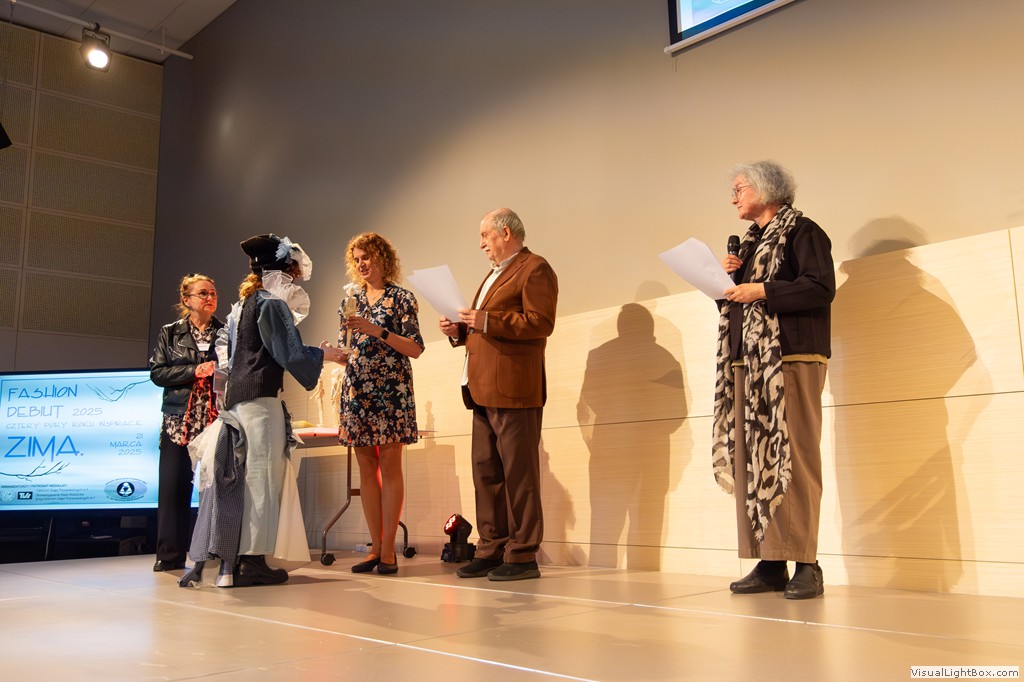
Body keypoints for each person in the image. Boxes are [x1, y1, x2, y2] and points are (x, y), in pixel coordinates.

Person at [714, 160, 835, 600]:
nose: (733, 198)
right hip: (748, 364)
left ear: (766, 189)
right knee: (755, 461)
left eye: (739, 188)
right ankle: (770, 562)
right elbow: (737, 308)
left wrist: (763, 289)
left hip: (791, 357)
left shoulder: (804, 232)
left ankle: (807, 563)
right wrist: (727, 282)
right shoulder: (748, 247)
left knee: (794, 458)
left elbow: (820, 288)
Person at [181, 234, 324, 588]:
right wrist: (324, 355)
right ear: (284, 273)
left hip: (237, 402)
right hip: (260, 403)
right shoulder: (270, 304)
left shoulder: (239, 307)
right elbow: (289, 353)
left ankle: (231, 562)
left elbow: (228, 360)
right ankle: (252, 561)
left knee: (239, 482)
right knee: (262, 480)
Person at [439, 208, 558, 581]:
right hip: (481, 389)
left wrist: (485, 319)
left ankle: (522, 555)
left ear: (505, 233)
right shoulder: (493, 275)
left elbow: (541, 322)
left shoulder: (535, 268)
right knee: (486, 473)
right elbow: (484, 330)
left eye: (485, 236)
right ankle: (491, 549)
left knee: (520, 476)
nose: (481, 245)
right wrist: (459, 331)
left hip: (514, 390)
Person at [320, 232, 424, 576]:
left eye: (367, 257)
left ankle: (390, 549)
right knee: (366, 468)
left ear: (382, 258)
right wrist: (329, 354)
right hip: (357, 391)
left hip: (390, 390)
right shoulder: (350, 301)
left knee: (390, 465)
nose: (362, 264)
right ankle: (375, 547)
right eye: (357, 259)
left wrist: (375, 329)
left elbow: (415, 348)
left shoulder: (401, 298)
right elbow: (346, 351)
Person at [149, 274, 223, 572]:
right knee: (173, 488)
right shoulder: (171, 333)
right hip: (179, 419)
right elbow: (157, 373)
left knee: (216, 487)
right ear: (186, 300)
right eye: (203, 293)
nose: (210, 298)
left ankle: (215, 553)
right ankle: (169, 557)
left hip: (215, 416)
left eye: (213, 293)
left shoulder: (226, 331)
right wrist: (195, 370)